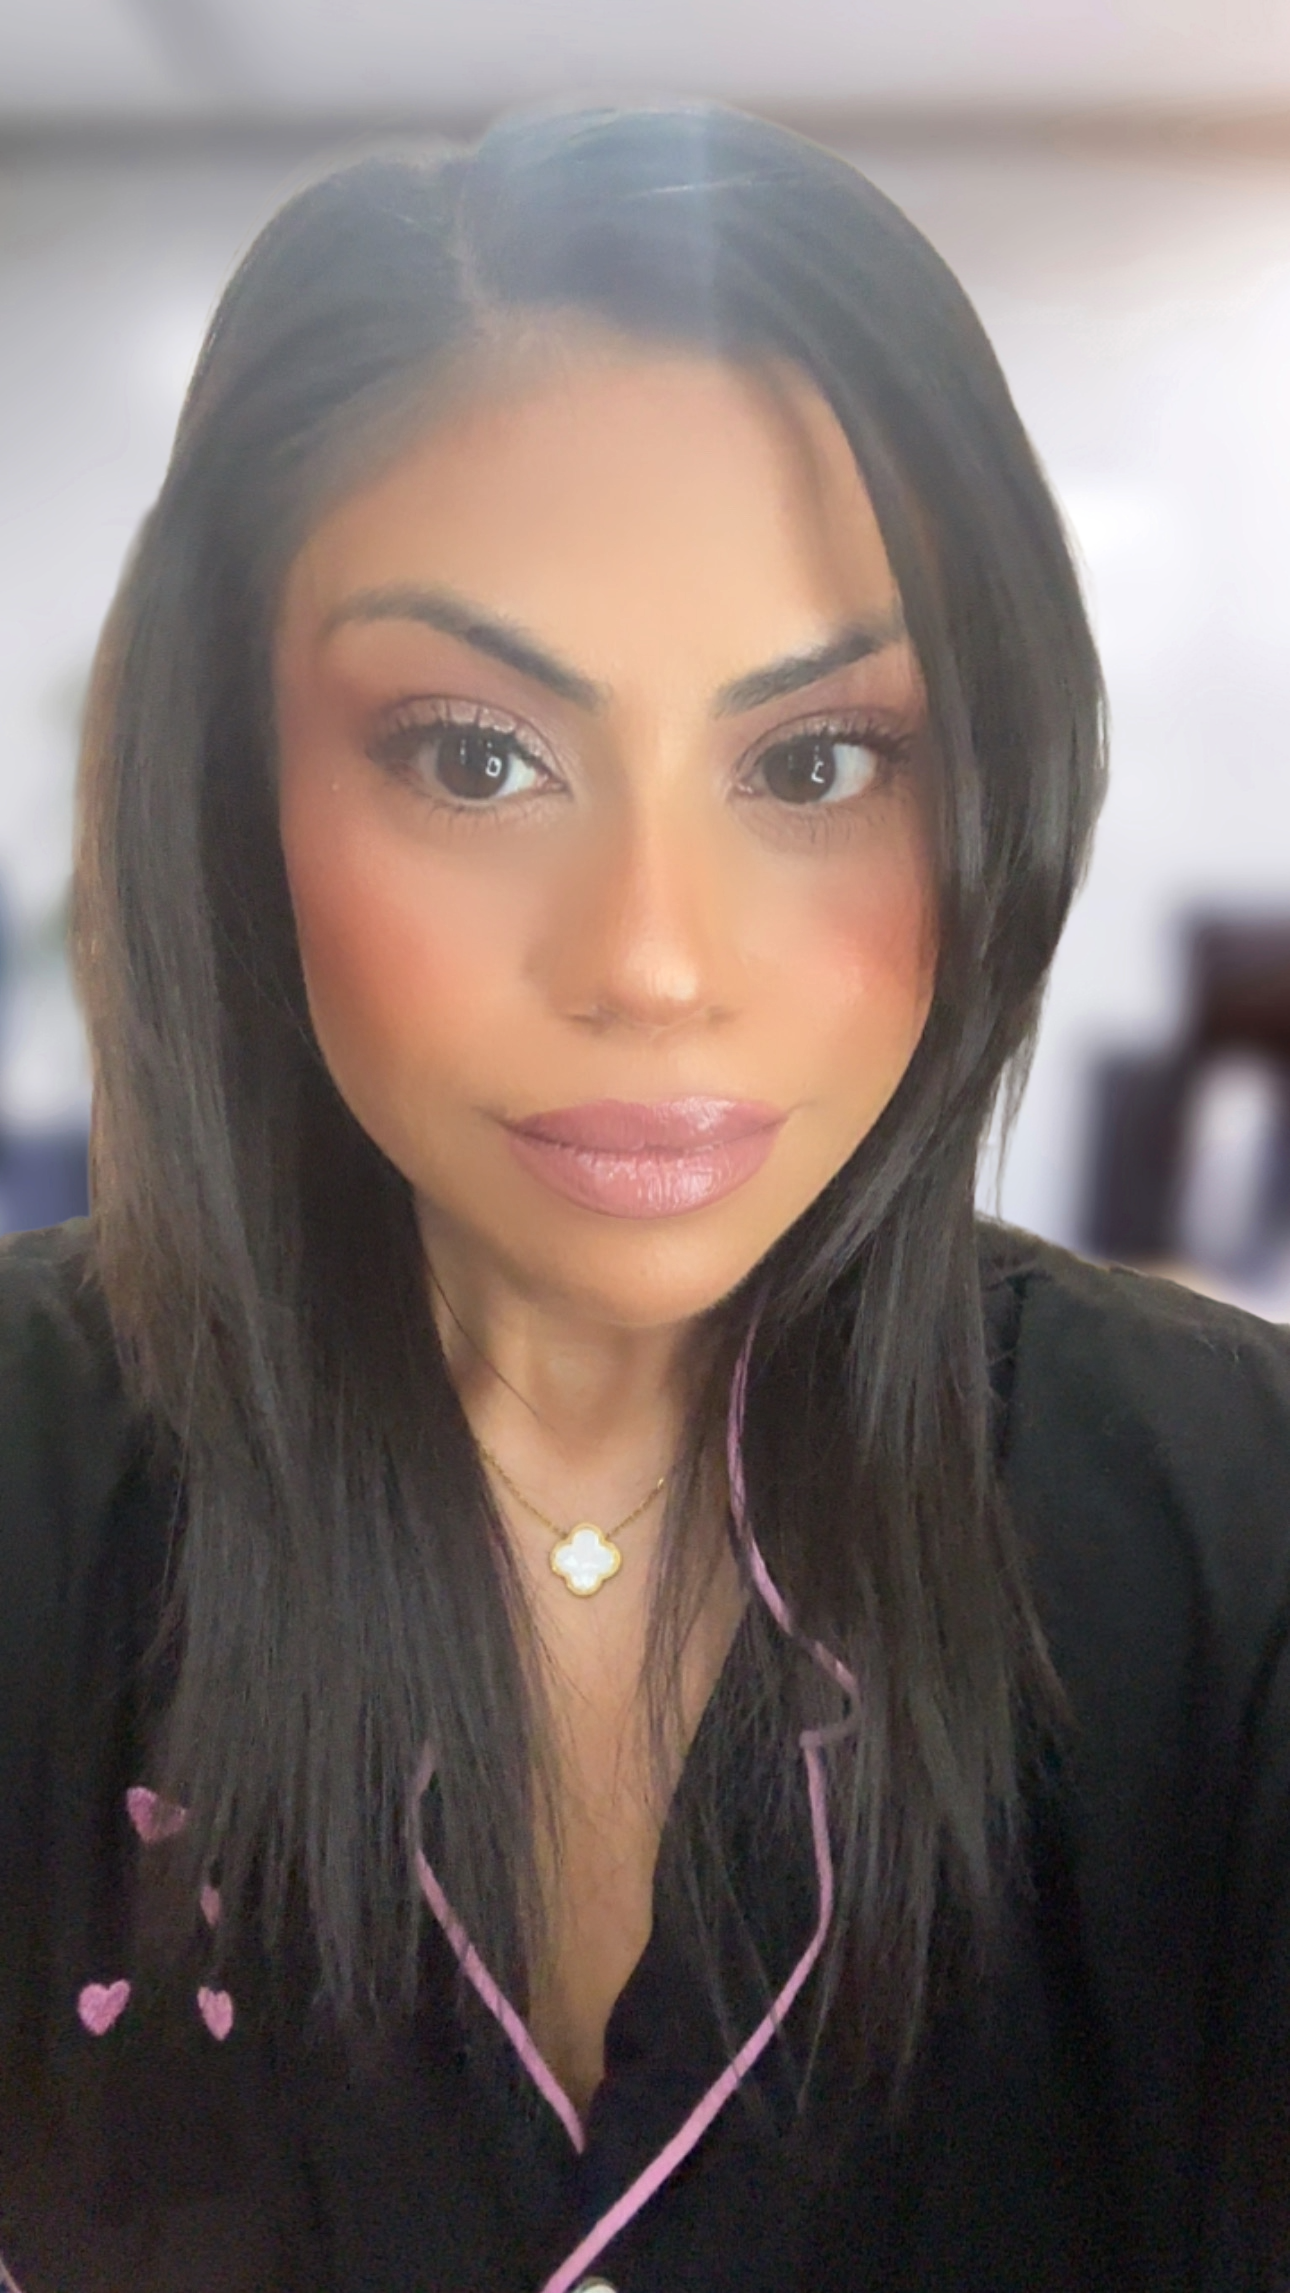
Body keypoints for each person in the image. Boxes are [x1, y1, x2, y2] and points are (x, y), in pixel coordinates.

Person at [0, 101, 1286, 2293]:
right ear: (236, 780)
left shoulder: (1233, 1537)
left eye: (816, 763)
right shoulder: (39, 1499)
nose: (653, 959)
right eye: (476, 754)